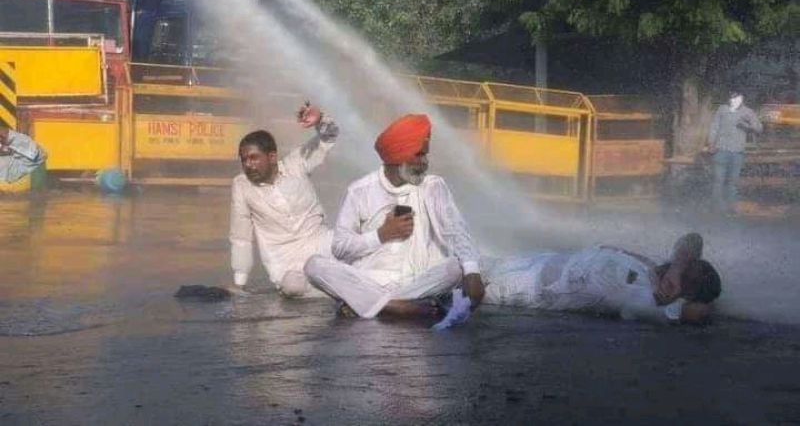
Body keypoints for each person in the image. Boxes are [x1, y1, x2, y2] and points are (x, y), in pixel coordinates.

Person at [304, 113, 485, 318]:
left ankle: (374, 305)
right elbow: (340, 248)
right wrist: (381, 235)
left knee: (456, 268)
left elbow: (455, 229)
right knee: (314, 266)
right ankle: (395, 307)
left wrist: (472, 272)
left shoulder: (432, 186)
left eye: (425, 155)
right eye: (419, 155)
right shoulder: (360, 191)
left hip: (417, 281)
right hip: (369, 279)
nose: (425, 162)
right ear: (398, 158)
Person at [482, 233, 721, 324]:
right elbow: (693, 239)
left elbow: (697, 313)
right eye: (690, 265)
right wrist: (678, 269)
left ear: (685, 296)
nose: (684, 267)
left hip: (522, 287)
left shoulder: (647, 300)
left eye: (689, 278)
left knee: (459, 281)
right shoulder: (655, 267)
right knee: (467, 260)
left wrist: (687, 302)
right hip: (535, 260)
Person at [228, 102, 339, 297]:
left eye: (254, 158)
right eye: (244, 159)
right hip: (288, 264)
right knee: (293, 287)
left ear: (271, 156)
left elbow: (330, 136)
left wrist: (320, 120)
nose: (248, 165)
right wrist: (240, 283)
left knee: (360, 243)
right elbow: (241, 237)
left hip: (323, 243)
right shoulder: (242, 186)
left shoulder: (296, 164)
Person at [707, 90, 763, 215]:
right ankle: (716, 208)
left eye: (736, 98)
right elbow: (714, 126)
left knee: (733, 182)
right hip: (721, 150)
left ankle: (730, 207)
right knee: (718, 180)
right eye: (731, 98)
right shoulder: (722, 109)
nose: (733, 100)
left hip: (737, 152)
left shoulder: (747, 112)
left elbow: (759, 128)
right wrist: (711, 142)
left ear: (741, 99)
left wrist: (747, 125)